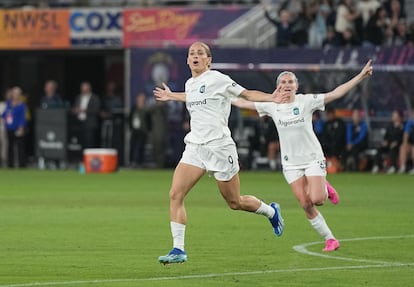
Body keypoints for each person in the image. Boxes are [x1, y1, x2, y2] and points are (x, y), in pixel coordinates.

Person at [153, 41, 285, 265]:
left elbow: (246, 94)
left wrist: (271, 97)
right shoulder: (190, 83)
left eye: (200, 53)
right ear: (187, 60)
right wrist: (172, 96)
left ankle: (271, 212)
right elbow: (192, 96)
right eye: (191, 53)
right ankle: (178, 249)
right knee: (175, 195)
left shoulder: (218, 79)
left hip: (219, 147)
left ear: (208, 60)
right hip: (195, 147)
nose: (195, 56)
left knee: (235, 202)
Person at [232, 59, 373, 252]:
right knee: (306, 205)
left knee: (318, 200)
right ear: (277, 87)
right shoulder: (271, 105)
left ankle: (323, 185)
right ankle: (330, 239)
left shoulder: (306, 101)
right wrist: (221, 94)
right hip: (291, 164)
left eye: (291, 82)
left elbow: (336, 93)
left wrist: (360, 76)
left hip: (312, 158)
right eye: (283, 82)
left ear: (296, 86)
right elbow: (241, 102)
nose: (287, 85)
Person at [371, 110, 404, 174]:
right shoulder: (390, 126)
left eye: (394, 115)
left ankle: (393, 167)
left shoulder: (402, 126)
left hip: (398, 145)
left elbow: (403, 137)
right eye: (393, 115)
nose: (393, 117)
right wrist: (385, 141)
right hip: (389, 144)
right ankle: (378, 166)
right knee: (379, 149)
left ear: (399, 117)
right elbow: (386, 136)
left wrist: (396, 142)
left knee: (393, 149)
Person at [1, 86, 28, 168]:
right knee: (10, 147)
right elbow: (5, 114)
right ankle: (10, 165)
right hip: (9, 128)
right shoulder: (9, 103)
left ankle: (22, 165)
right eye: (14, 93)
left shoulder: (22, 105)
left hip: (18, 128)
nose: (15, 95)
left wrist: (21, 127)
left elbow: (23, 117)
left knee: (20, 147)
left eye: (17, 94)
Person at [72, 81, 101, 150]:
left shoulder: (95, 98)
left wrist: (84, 110)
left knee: (89, 142)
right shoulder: (78, 97)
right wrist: (75, 110)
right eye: (82, 89)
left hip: (90, 124)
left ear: (89, 89)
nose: (83, 91)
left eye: (85, 89)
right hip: (79, 123)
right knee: (80, 142)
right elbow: (75, 107)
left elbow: (96, 110)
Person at [129, 92, 150, 168]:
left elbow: (149, 120)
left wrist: (148, 129)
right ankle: (131, 162)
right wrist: (131, 128)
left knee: (141, 146)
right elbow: (129, 118)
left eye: (142, 99)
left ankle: (140, 162)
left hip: (143, 130)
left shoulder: (146, 109)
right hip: (135, 130)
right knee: (132, 146)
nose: (141, 100)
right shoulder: (134, 108)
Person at [399, 108, 414, 174]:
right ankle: (403, 167)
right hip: (410, 143)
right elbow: (406, 134)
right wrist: (405, 143)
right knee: (402, 148)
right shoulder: (410, 123)